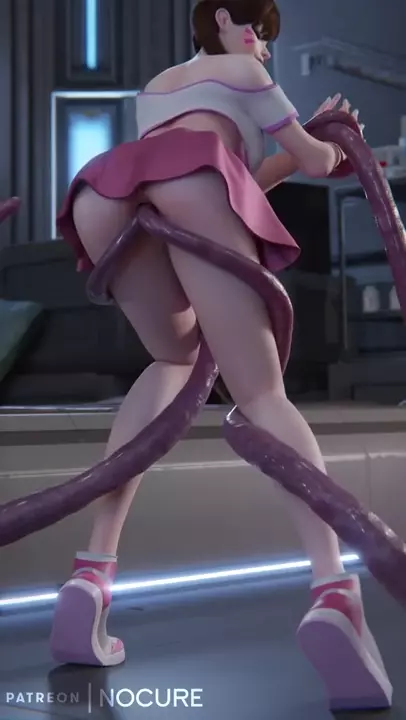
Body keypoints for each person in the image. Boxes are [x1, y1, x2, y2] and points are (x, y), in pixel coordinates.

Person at [53, 0, 392, 709]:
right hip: (192, 184)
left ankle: (91, 575)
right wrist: (330, 139)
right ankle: (335, 593)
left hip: (104, 191)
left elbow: (216, 179)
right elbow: (309, 162)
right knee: (261, 392)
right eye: (258, 32)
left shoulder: (160, 87)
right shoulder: (244, 72)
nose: (263, 48)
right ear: (228, 22)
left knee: (173, 362)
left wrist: (292, 143)